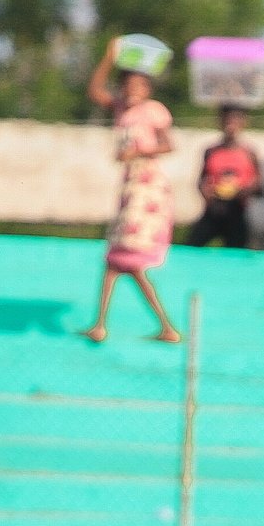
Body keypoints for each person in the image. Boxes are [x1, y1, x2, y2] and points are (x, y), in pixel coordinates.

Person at [81, 40, 181, 344]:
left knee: (124, 261)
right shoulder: (121, 109)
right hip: (130, 186)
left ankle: (161, 326)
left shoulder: (153, 111)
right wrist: (109, 57)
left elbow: (168, 144)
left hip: (146, 187)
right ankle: (104, 324)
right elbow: (95, 91)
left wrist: (136, 152)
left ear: (148, 89)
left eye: (139, 84)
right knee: (116, 261)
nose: (132, 90)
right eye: (127, 84)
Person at [185, 107, 263, 249]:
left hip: (237, 211)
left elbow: (261, 187)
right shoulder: (211, 151)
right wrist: (205, 191)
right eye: (227, 120)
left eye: (235, 120)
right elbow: (201, 180)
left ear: (243, 123)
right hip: (213, 209)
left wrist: (246, 190)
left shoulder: (250, 153)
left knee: (237, 255)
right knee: (192, 248)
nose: (230, 124)